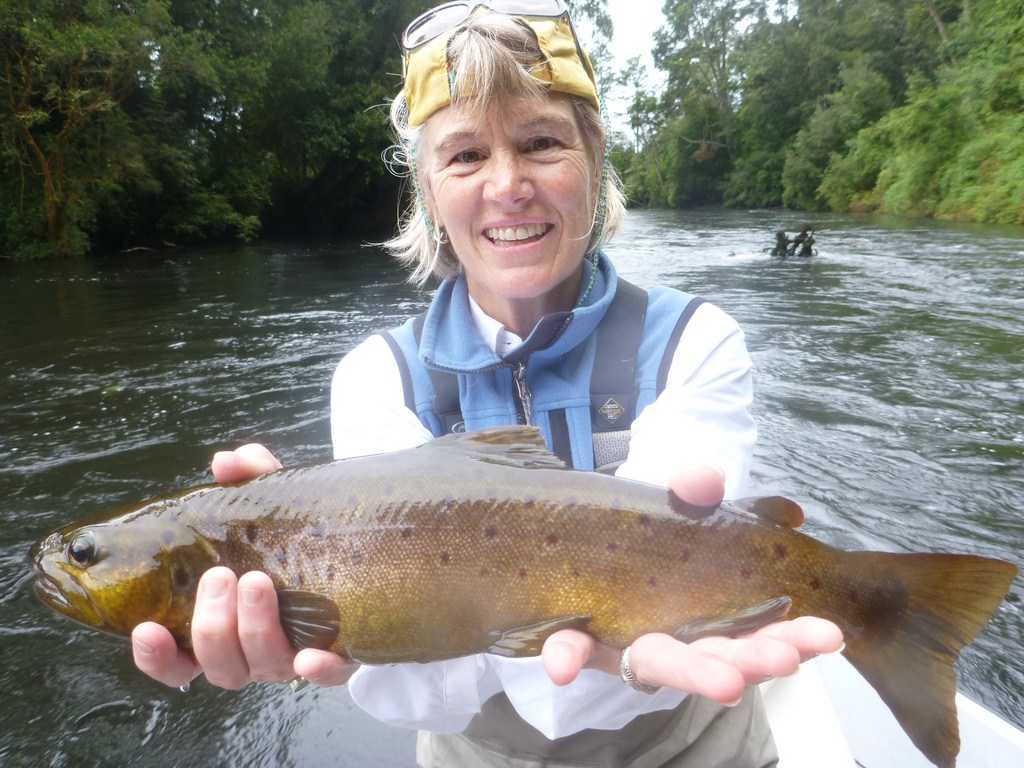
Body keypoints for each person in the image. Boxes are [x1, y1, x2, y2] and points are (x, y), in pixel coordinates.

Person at [131, 2, 843, 766]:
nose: (508, 185)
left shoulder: (694, 340)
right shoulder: (376, 379)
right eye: (466, 155)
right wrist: (302, 562)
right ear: (427, 188)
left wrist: (610, 650)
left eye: (541, 143)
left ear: (595, 160)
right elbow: (418, 693)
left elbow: (683, 588)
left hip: (695, 740)